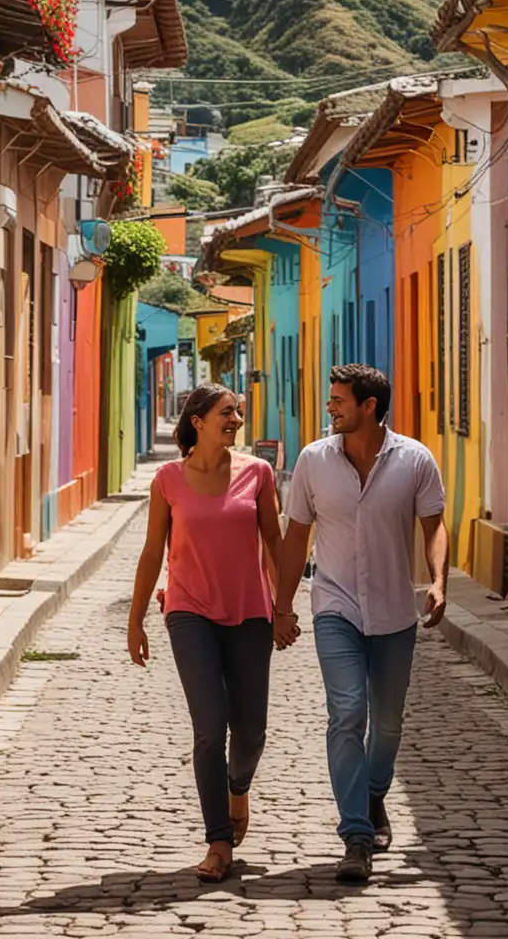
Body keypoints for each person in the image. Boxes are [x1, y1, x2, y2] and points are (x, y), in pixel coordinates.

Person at [273, 364, 448, 885]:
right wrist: (282, 606)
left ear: (369, 406)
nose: (330, 407)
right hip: (335, 607)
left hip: (395, 611)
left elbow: (434, 523)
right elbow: (294, 536)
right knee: (347, 712)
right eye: (331, 400)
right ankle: (355, 834)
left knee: (388, 723)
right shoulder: (313, 461)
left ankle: (373, 795)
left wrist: (439, 581)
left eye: (338, 400)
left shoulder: (415, 460)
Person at [127, 383, 285, 882]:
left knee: (252, 731)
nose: (236, 418)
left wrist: (283, 609)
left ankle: (239, 788)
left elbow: (274, 545)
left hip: (251, 613)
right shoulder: (168, 480)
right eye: (226, 411)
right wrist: (136, 618)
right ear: (198, 420)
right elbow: (154, 551)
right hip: (189, 611)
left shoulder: (258, 474)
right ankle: (218, 840)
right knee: (209, 726)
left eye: (238, 411)